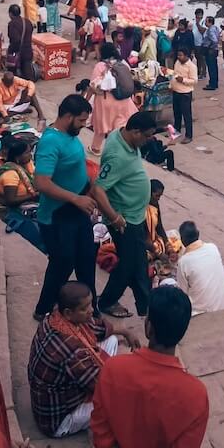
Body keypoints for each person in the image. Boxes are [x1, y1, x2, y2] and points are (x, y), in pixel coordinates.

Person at [91, 286, 209, 448]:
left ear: (148, 327)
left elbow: (102, 439)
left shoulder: (113, 369)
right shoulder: (195, 394)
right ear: (182, 332)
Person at [32, 95, 112, 318]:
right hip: (58, 215)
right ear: (68, 117)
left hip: (77, 211)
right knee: (62, 265)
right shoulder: (50, 142)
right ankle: (45, 308)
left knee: (86, 260)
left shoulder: (69, 136)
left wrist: (89, 190)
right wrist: (76, 199)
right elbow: (41, 182)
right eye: (81, 121)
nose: (83, 126)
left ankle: (90, 311)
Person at [29, 281, 140, 438]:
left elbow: (96, 327)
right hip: (58, 420)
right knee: (123, 400)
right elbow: (104, 386)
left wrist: (125, 331)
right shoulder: (73, 352)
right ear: (68, 313)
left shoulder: (55, 317)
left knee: (112, 340)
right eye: (85, 308)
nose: (92, 310)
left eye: (90, 304)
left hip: (60, 391)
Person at [98, 111, 158, 320]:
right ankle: (106, 301)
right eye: (147, 135)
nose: (150, 140)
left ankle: (145, 305)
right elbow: (98, 190)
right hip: (124, 220)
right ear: (134, 132)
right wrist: (114, 218)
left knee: (138, 261)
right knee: (129, 265)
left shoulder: (125, 138)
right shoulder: (116, 156)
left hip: (135, 214)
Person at [89, 43, 138, 155]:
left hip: (105, 100)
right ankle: (116, 149)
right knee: (119, 126)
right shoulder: (123, 63)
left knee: (101, 125)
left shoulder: (101, 66)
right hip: (124, 101)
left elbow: (93, 84)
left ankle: (96, 148)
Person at [176, 220, 224, 314]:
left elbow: (182, 293)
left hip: (200, 313)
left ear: (182, 240)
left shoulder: (184, 262)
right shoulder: (212, 247)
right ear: (198, 234)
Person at [170, 48, 197, 143]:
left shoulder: (191, 66)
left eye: (181, 55)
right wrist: (171, 85)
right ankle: (176, 131)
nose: (179, 57)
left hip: (185, 93)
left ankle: (189, 135)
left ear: (186, 56)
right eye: (178, 55)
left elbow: (194, 81)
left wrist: (183, 80)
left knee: (186, 115)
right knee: (176, 113)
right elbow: (174, 74)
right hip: (176, 91)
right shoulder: (177, 62)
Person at [8, 3, 35, 80]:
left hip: (18, 52)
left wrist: (11, 52)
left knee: (14, 75)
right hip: (28, 51)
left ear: (10, 14)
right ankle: (30, 88)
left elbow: (15, 40)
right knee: (27, 74)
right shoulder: (27, 22)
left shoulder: (12, 24)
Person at [202, 15, 220, 90]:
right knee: (214, 67)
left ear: (210, 22)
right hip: (214, 50)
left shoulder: (210, 30)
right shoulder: (216, 28)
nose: (205, 23)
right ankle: (214, 83)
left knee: (211, 67)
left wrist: (210, 47)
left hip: (210, 51)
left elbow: (215, 40)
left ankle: (212, 84)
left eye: (206, 21)